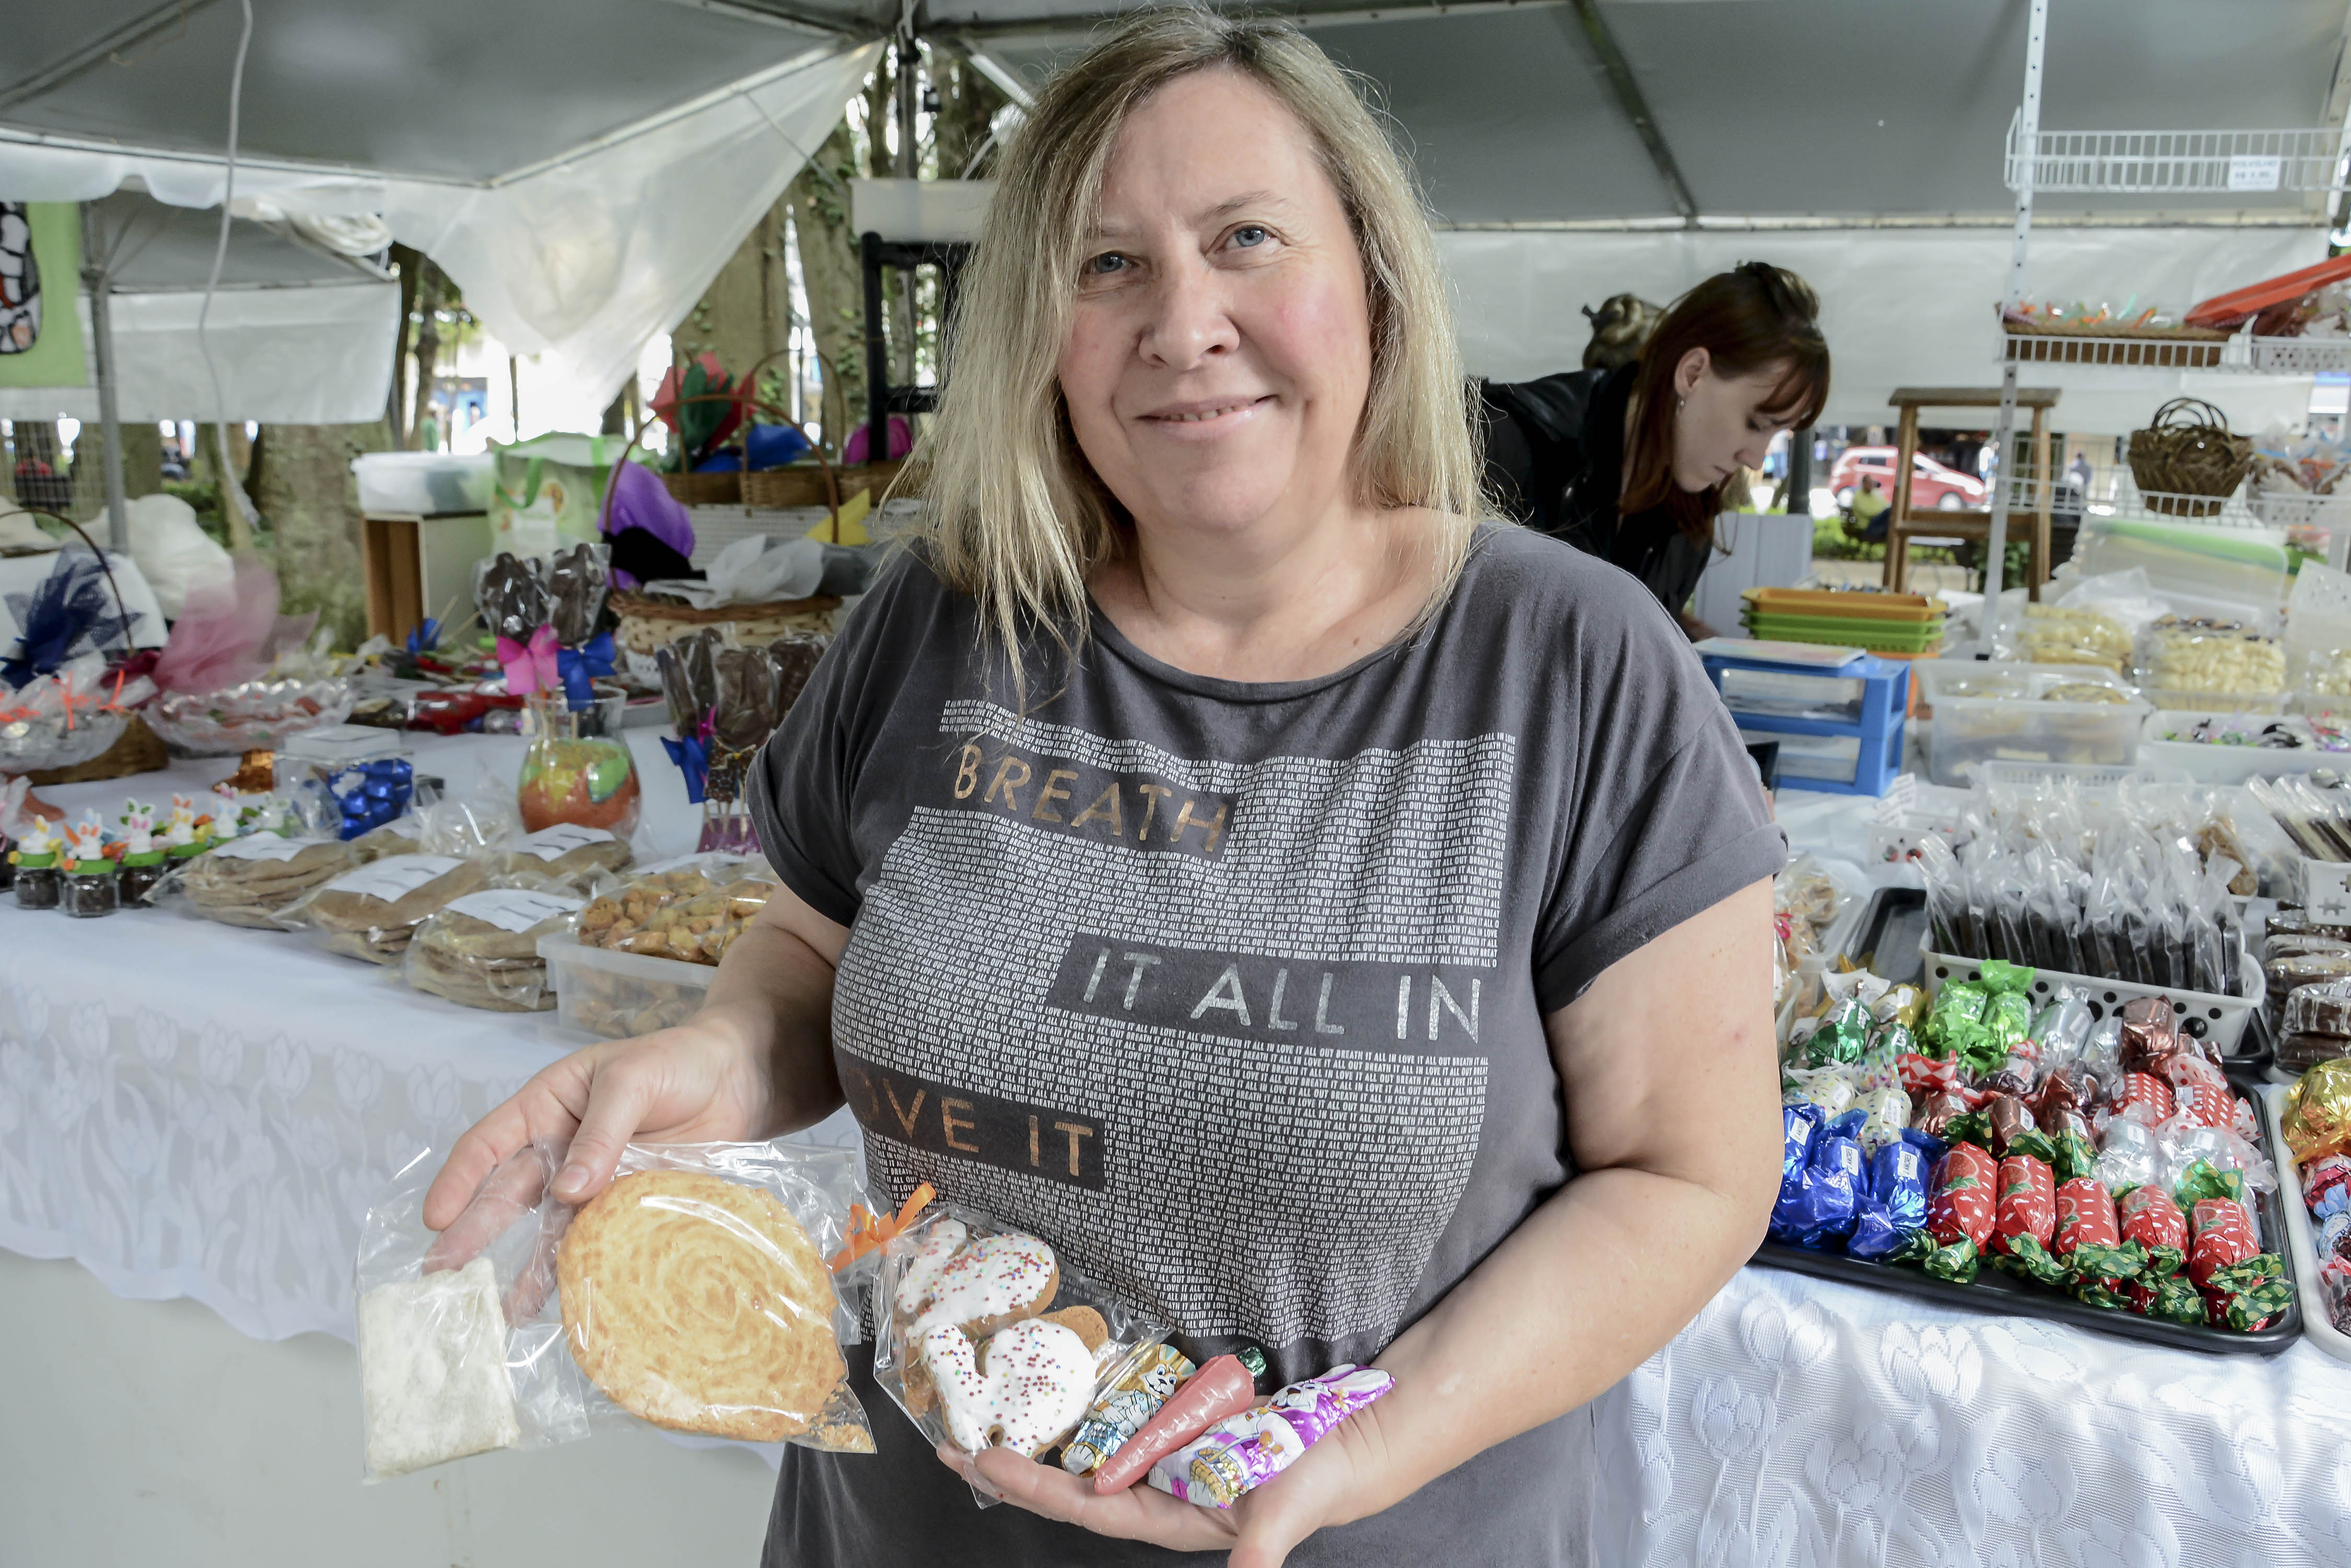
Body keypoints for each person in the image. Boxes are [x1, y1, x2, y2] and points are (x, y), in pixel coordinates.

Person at [421, 13, 1785, 1566]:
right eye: (1106, 263)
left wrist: (1356, 1444)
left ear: (1374, 281)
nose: (1183, 321)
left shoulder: (1570, 662)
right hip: (914, 1531)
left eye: (1247, 238)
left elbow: (1691, 1172)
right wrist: (710, 1058)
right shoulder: (943, 622)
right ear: (1040, 333)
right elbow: (803, 962)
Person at [1479, 263, 1831, 633]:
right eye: (1755, 425)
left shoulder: (1688, 520)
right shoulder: (1509, 443)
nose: (1756, 458)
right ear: (1693, 373)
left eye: (1775, 434)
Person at [1849, 472, 1891, 540]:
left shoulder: (1876, 493)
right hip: (1868, 525)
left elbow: (1885, 504)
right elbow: (1867, 512)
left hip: (1878, 522)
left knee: (1891, 512)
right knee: (1888, 512)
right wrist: (1881, 512)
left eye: (1871, 483)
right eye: (1868, 483)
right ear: (1863, 484)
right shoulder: (1858, 496)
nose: (1870, 485)